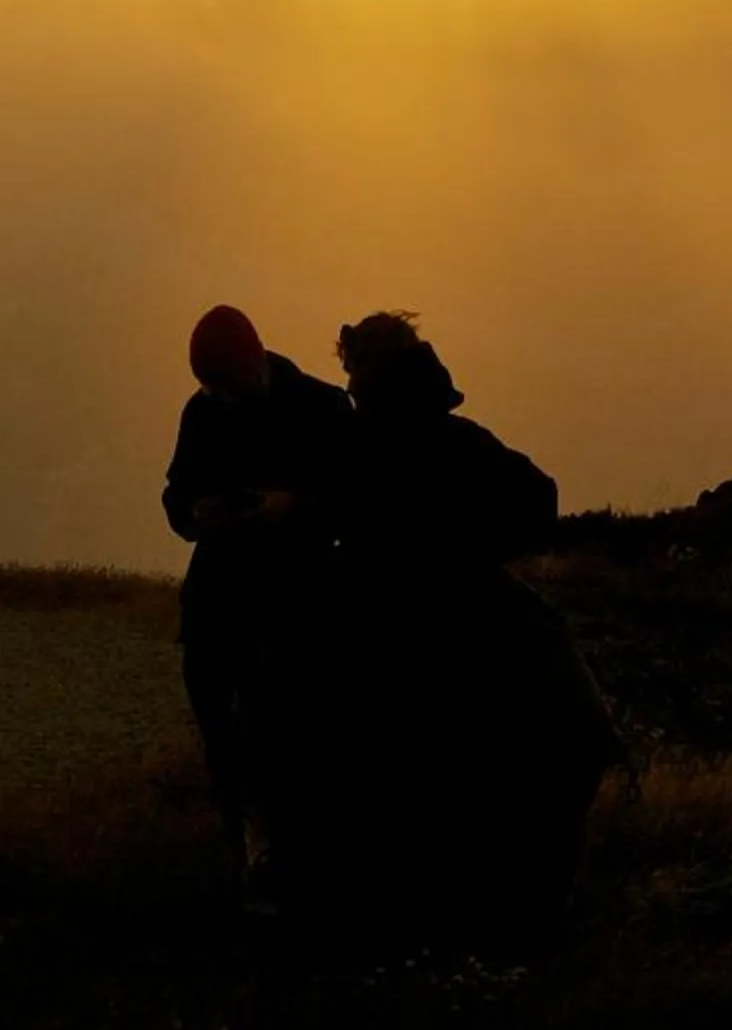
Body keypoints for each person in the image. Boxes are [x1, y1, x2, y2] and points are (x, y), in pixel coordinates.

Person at [315, 311, 621, 938]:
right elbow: (539, 501)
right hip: (475, 618)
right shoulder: (457, 440)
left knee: (406, 773)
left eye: (352, 371)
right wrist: (477, 551)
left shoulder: (364, 444)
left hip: (389, 625)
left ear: (369, 372)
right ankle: (521, 911)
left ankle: (417, 915)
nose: (348, 384)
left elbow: (337, 524)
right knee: (548, 745)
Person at [159, 303, 357, 906]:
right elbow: (176, 494)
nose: (216, 395)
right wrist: (195, 513)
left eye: (222, 383)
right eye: (207, 385)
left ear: (253, 362)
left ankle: (293, 869)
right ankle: (246, 860)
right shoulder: (204, 410)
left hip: (294, 599)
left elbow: (355, 500)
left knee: (287, 737)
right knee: (224, 736)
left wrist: (293, 507)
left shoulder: (323, 409)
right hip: (219, 599)